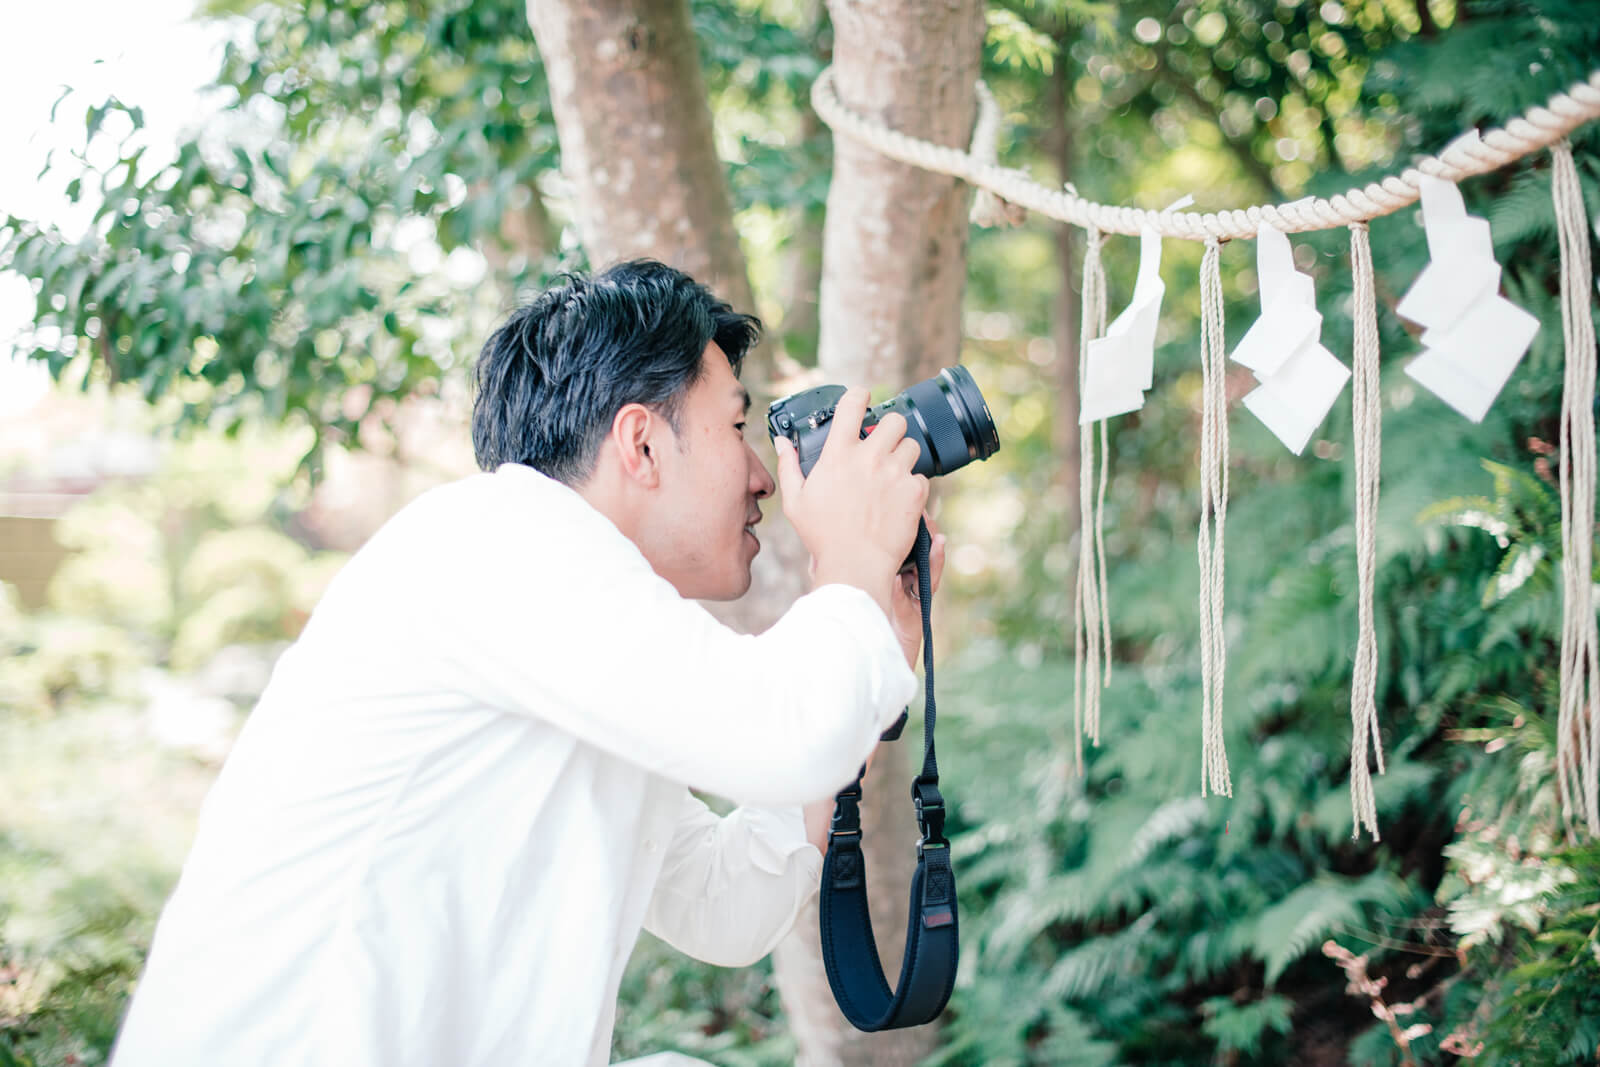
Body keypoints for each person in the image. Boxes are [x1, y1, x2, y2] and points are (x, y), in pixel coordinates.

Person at [111, 259, 945, 1066]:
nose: (765, 475)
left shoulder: (576, 625)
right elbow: (787, 734)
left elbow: (723, 904)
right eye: (736, 426)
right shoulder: (501, 539)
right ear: (642, 444)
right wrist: (850, 565)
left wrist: (881, 639)